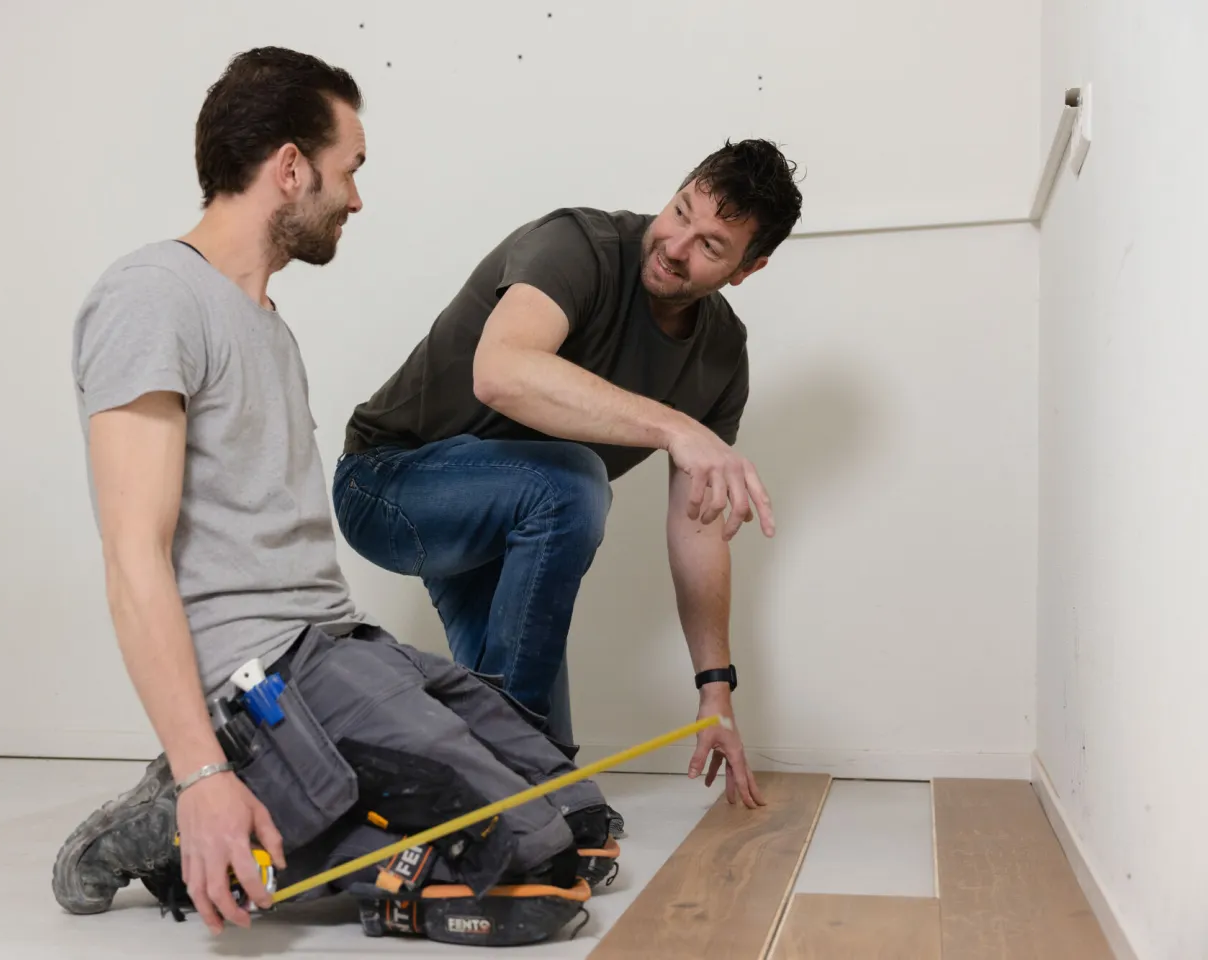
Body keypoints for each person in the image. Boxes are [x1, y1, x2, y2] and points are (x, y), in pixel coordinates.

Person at [51, 47, 612, 945]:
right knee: (521, 858)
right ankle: (174, 811)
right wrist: (203, 774)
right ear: (288, 167)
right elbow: (132, 557)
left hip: (336, 644)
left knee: (581, 822)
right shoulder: (153, 298)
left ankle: (270, 795)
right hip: (260, 678)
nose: (356, 196)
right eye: (349, 169)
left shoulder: (268, 330)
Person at [333, 139, 803, 815]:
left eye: (710, 245)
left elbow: (697, 527)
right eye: (680, 211)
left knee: (565, 807)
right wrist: (675, 427)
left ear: (747, 270)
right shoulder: (579, 244)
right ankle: (512, 763)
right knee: (576, 480)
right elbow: (500, 372)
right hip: (388, 483)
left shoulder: (722, 354)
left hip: (511, 531)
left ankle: (485, 781)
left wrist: (715, 686)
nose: (674, 245)